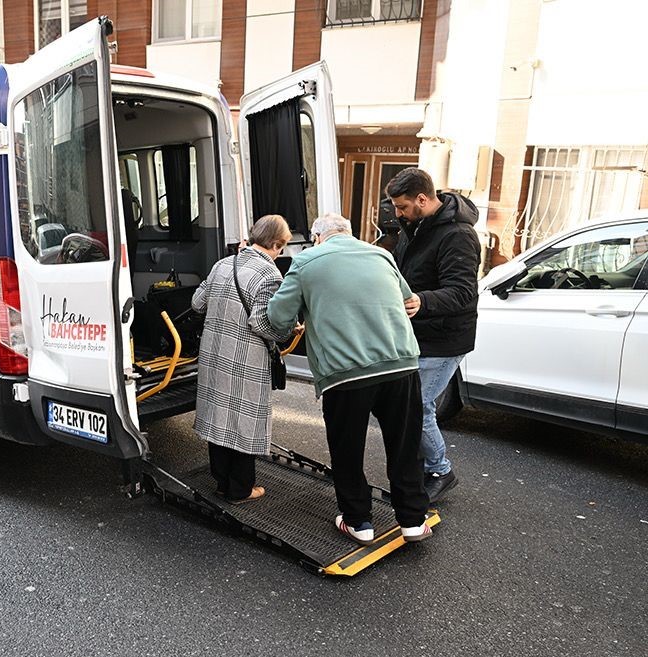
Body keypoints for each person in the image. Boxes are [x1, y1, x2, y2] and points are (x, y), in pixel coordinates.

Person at [266, 213, 431, 544]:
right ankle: (413, 520)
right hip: (400, 365)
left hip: (346, 373)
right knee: (404, 444)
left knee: (348, 449)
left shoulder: (306, 261)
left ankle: (359, 522)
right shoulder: (381, 254)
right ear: (350, 234)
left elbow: (277, 315)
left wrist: (295, 326)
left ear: (317, 238)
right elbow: (407, 300)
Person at [386, 168, 481, 502]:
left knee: (418, 407)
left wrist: (421, 301)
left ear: (422, 200)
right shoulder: (416, 226)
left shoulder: (458, 235)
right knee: (407, 406)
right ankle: (418, 474)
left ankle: (441, 470)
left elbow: (463, 291)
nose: (397, 214)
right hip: (419, 332)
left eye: (402, 207)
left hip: (444, 337)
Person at [191, 214, 299, 504]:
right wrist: (290, 327)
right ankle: (240, 489)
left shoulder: (223, 264)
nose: (280, 254)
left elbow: (197, 303)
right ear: (276, 244)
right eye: (282, 247)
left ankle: (222, 483)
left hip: (214, 354)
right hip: (245, 358)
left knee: (219, 416)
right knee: (243, 420)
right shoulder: (270, 275)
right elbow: (264, 324)